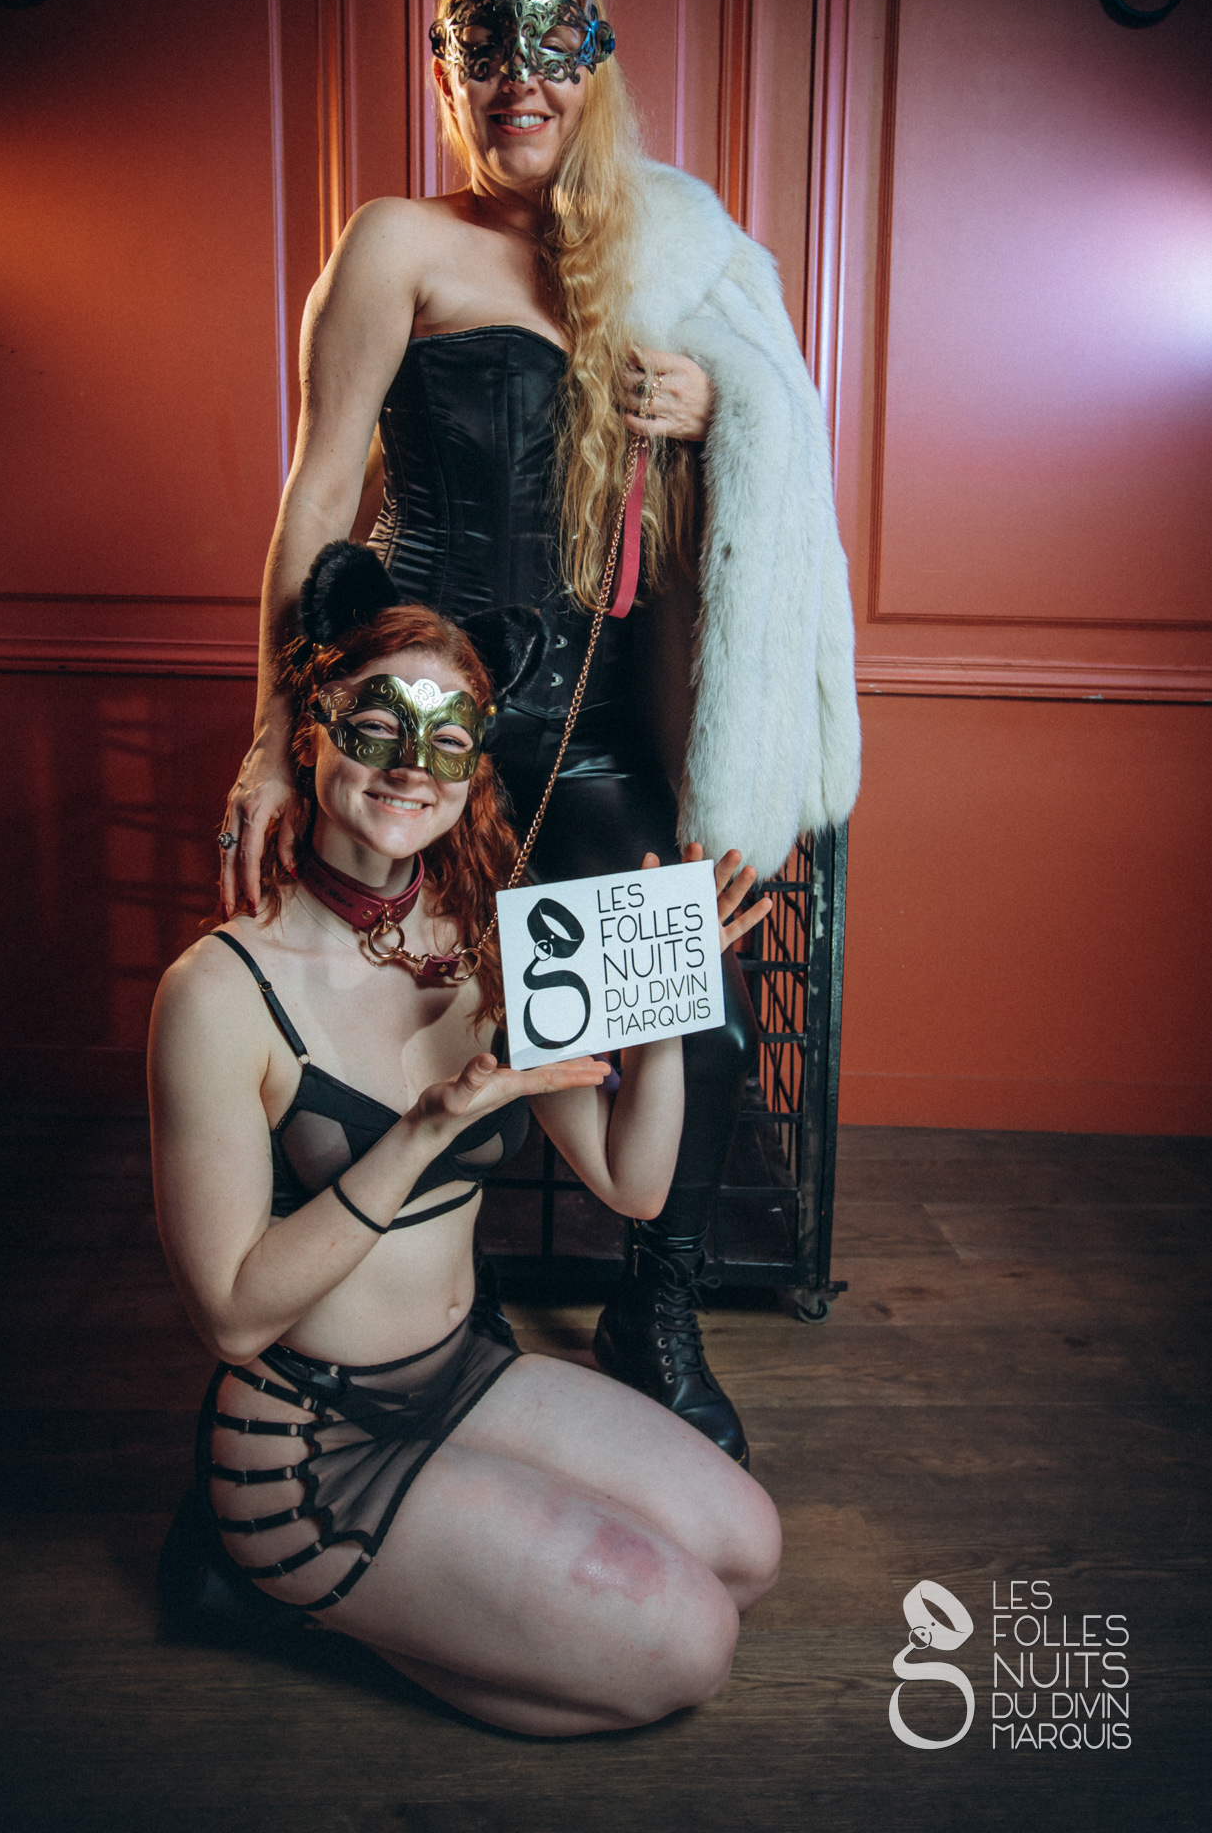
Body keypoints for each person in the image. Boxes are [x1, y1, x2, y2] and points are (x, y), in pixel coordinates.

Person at [219, 0, 861, 1467]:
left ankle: (657, 1304)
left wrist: (714, 406)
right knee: (388, 1009)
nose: (521, 75)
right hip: (415, 724)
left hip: (586, 730)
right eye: (485, 46)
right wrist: (271, 738)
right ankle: (417, 1294)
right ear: (447, 72)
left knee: (689, 1017)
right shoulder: (397, 243)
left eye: (552, 43)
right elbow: (317, 497)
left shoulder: (662, 257)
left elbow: (771, 445)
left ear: (597, 65)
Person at [151, 547, 781, 1735]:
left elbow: (633, 1185)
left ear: (473, 766)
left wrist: (666, 1009)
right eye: (376, 725)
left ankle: (434, 1576)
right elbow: (230, 1316)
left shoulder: (493, 940)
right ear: (313, 731)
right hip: (304, 1441)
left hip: (459, 1373)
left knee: (746, 1545)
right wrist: (424, 1129)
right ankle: (267, 1583)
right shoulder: (218, 992)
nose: (410, 766)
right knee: (689, 1645)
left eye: (446, 740)